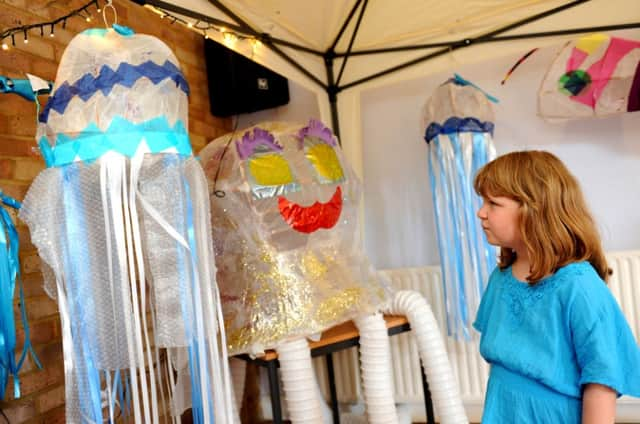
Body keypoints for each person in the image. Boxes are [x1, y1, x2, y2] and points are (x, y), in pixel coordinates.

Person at [472, 150, 640, 423]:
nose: (481, 212)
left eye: (493, 203)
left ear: (533, 211)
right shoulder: (501, 278)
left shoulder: (580, 287)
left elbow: (602, 382)